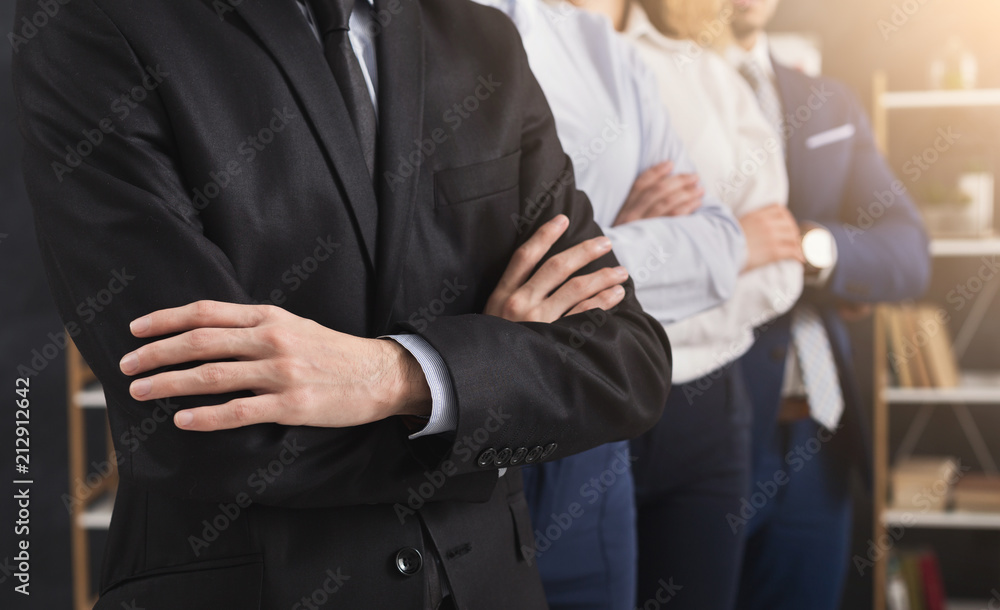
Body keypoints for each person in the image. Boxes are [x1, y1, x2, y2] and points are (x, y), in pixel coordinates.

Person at [12, 0, 675, 607]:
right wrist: (492, 380)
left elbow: (627, 364)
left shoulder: (484, 39)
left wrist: (400, 375)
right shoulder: (95, 29)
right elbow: (211, 425)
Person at [467, 1, 747, 608]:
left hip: (591, 448)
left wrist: (583, 251)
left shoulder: (602, 47)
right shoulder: (437, 26)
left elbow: (719, 248)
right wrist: (607, 240)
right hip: (466, 426)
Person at [561, 0, 802, 607]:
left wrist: (624, 268)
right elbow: (545, 268)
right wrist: (706, 252)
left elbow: (777, 263)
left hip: (709, 408)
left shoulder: (705, 70)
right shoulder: (525, 47)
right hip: (585, 395)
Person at [722, 1, 931, 608]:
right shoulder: (651, 85)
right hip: (706, 433)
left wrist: (817, 249)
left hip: (821, 440)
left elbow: (910, 251)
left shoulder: (829, 101)